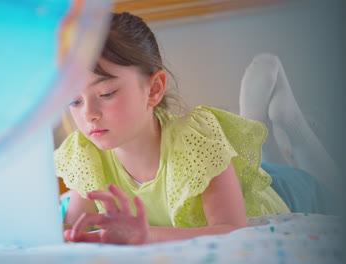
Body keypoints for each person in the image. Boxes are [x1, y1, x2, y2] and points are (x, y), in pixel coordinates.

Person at [54, 12, 290, 245]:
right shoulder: (84, 154)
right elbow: (72, 233)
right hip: (224, 172)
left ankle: (275, 118)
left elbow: (231, 230)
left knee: (290, 170)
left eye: (106, 93)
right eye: (74, 101)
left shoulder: (197, 141)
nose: (88, 114)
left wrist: (145, 236)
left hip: (286, 189)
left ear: (154, 89)